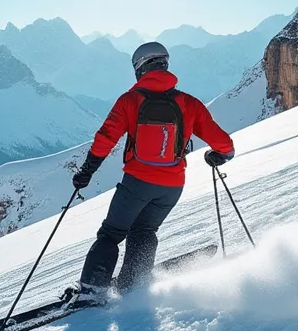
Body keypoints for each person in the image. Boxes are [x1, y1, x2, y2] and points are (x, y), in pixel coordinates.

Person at [63, 41, 235, 306]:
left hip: (138, 182)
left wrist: (86, 172)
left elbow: (105, 138)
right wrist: (219, 156)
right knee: (145, 230)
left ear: (139, 69)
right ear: (165, 65)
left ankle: (91, 292)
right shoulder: (189, 103)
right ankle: (133, 283)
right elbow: (224, 144)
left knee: (111, 234)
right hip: (173, 186)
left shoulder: (130, 101)